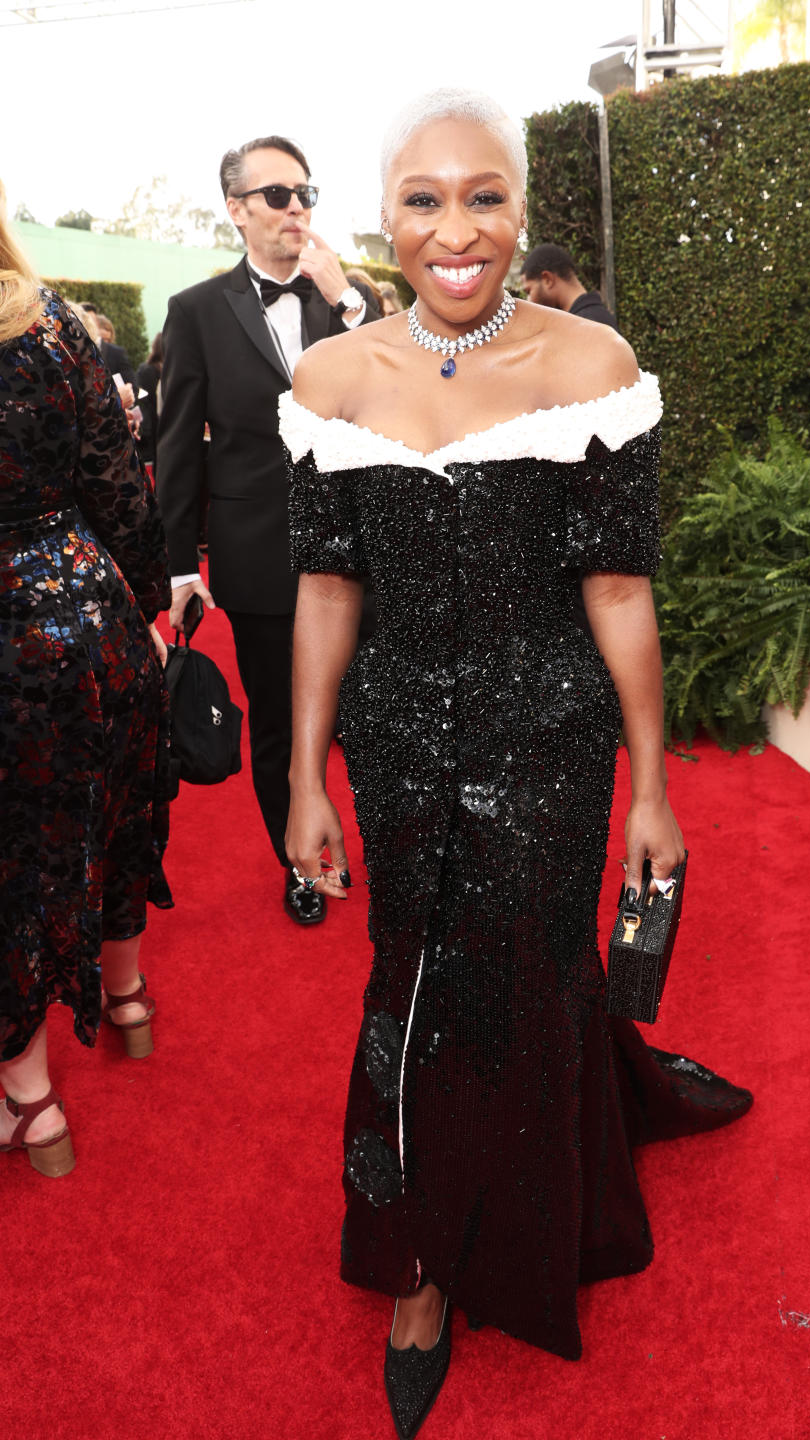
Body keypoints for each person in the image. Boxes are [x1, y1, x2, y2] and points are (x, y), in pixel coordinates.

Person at [282, 89, 752, 1438]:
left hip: (549, 734)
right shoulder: (331, 380)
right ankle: (422, 1262)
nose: (455, 228)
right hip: (396, 738)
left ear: (521, 210)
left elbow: (618, 592)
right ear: (385, 215)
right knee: (413, 972)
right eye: (424, 199)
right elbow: (325, 587)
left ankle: (504, 1242)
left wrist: (651, 786)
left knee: (530, 968)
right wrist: (309, 772)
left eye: (483, 195)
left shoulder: (590, 364)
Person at [156, 134, 380, 926]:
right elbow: (176, 447)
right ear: (237, 211)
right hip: (260, 556)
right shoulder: (194, 314)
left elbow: (393, 391)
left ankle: (394, 850)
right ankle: (302, 859)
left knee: (380, 707)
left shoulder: (349, 302)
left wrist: (349, 300)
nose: (297, 209)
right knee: (283, 724)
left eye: (306, 193)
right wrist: (181, 568)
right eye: (279, 195)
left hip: (364, 543)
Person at [0, 181, 171, 1176]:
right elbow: (120, 484)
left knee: (15, 859)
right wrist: (145, 608)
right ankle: (127, 999)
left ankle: (33, 1104)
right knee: (109, 811)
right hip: (89, 609)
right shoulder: (57, 323)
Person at [519, 242, 619, 329]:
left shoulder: (586, 325)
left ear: (547, 279)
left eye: (529, 291)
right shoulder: (595, 318)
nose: (529, 300)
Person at [136, 332, 164, 471]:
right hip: (153, 425)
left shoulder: (151, 369)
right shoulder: (148, 370)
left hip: (157, 425)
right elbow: (143, 400)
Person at [95, 312, 137, 388]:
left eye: (108, 340)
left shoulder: (117, 354)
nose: (105, 343)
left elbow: (132, 386)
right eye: (102, 339)